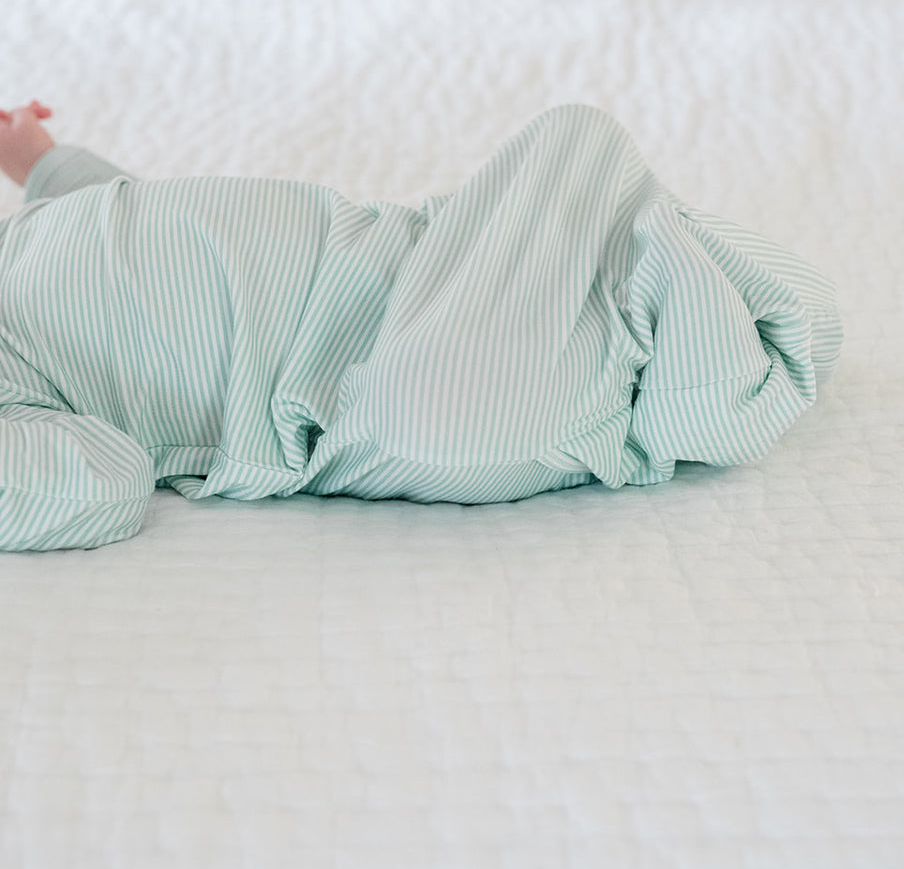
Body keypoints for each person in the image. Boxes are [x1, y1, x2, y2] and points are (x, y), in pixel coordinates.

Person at [0, 99, 841, 553]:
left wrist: (46, 167)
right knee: (452, 394)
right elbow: (98, 483)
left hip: (424, 262)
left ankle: (671, 337)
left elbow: (126, 228)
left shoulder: (22, 247)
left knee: (581, 163)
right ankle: (702, 364)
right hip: (368, 398)